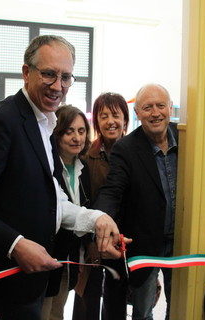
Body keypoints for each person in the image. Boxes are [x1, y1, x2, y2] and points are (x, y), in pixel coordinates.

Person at [0, 35, 126, 320]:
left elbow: (53, 199)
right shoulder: (4, 120)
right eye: (49, 74)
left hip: (41, 278)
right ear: (26, 73)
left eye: (66, 77)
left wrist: (96, 219)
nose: (58, 86)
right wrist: (16, 245)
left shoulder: (45, 122)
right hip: (13, 281)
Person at [92, 84, 179, 320]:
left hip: (182, 242)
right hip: (146, 243)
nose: (155, 113)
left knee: (180, 305)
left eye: (161, 105)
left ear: (170, 108)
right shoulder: (126, 148)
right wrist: (101, 217)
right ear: (137, 114)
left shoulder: (187, 138)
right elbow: (112, 190)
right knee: (142, 310)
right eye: (147, 108)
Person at [72, 92, 129, 320]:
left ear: (125, 118)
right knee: (86, 296)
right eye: (103, 116)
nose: (110, 121)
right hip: (92, 238)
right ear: (96, 121)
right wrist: (89, 240)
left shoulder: (135, 152)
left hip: (123, 239)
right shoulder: (86, 155)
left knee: (117, 296)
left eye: (115, 115)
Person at [41, 105, 92, 320]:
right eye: (69, 131)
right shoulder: (48, 167)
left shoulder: (84, 168)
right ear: (57, 133)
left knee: (57, 313)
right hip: (46, 257)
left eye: (81, 131)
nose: (76, 138)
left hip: (69, 260)